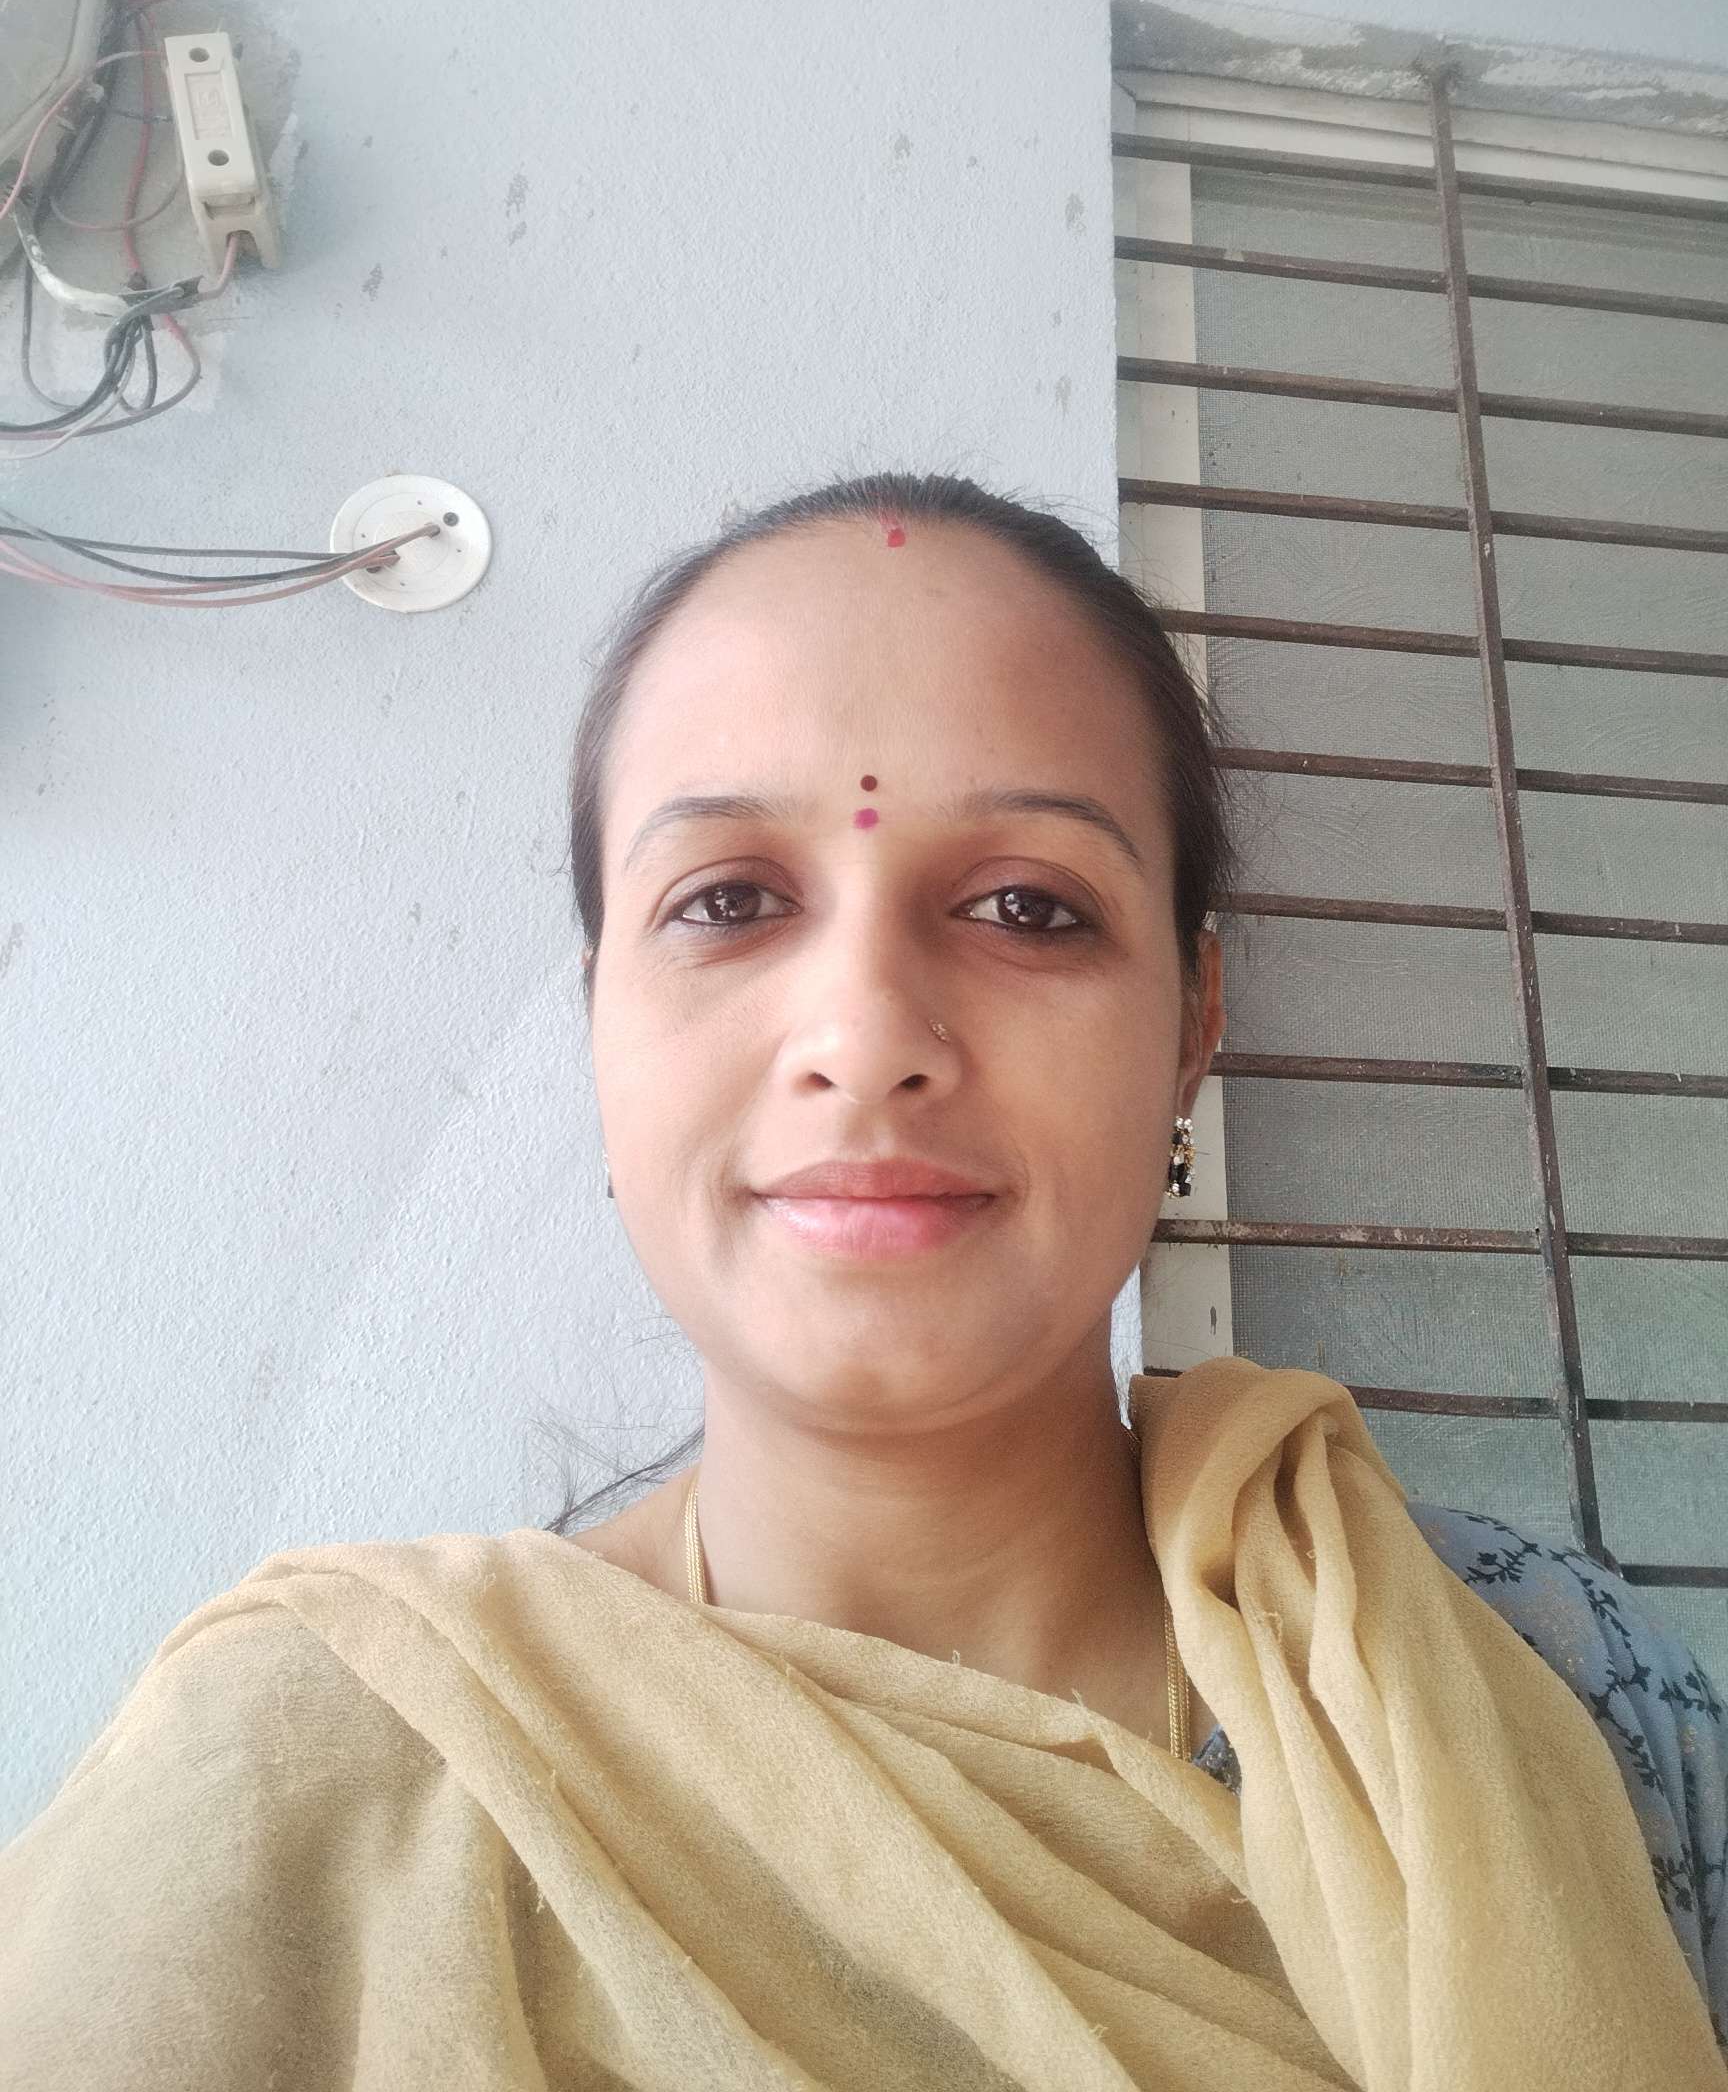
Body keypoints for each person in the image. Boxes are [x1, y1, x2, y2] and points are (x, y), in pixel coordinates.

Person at [2, 473, 1723, 2089]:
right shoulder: (305, 1778)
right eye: (729, 900)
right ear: (604, 1024)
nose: (867, 1035)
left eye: (1029, 908)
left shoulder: (1546, 1687)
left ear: (1193, 1024)